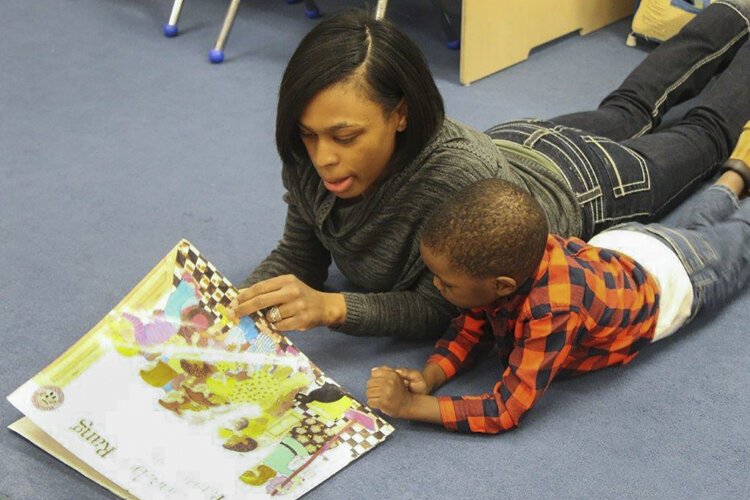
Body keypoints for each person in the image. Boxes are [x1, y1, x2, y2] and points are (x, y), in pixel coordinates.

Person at [231, 2, 750, 339]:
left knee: (702, 134)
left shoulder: (454, 179)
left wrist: (335, 309)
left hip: (584, 183)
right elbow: (301, 254)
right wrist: (233, 312)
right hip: (514, 142)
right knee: (628, 109)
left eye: (345, 137)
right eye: (307, 133)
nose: (322, 157)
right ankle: (730, 12)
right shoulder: (308, 157)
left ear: (401, 114)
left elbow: (446, 307)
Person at [364, 125, 750, 433]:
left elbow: (504, 410)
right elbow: (469, 329)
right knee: (700, 227)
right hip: (629, 245)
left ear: (502, 285)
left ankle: (735, 176)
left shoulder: (552, 310)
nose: (436, 287)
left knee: (738, 238)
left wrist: (414, 407)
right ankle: (736, 172)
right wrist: (429, 377)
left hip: (677, 275)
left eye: (447, 284)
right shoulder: (507, 264)